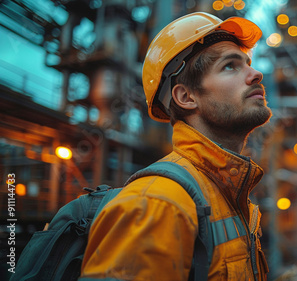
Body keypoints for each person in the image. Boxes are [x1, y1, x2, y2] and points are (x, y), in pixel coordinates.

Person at [79, 12, 271, 281]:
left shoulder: (226, 193)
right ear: (186, 96)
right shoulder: (155, 204)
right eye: (230, 66)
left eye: (248, 64)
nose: (256, 74)